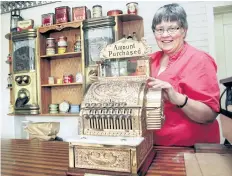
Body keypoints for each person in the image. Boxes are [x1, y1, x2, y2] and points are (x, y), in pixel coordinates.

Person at [148, 3, 220, 146]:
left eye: (172, 28)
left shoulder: (200, 60)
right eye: (159, 29)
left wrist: (178, 98)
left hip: (191, 150)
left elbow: (210, 114)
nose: (165, 35)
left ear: (184, 31)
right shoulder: (150, 60)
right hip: (156, 148)